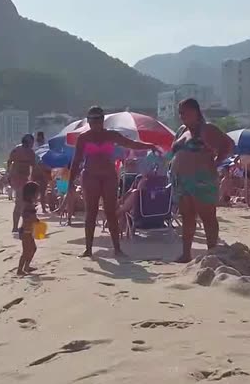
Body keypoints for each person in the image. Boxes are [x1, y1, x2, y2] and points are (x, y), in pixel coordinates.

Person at [70, 106, 156, 257]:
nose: (95, 122)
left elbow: (131, 144)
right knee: (91, 212)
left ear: (103, 120)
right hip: (90, 176)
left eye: (98, 119)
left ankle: (117, 248)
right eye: (92, 120)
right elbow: (76, 161)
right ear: (88, 121)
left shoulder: (112, 135)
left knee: (111, 212)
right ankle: (88, 249)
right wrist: (70, 182)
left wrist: (149, 146)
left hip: (109, 176)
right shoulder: (83, 138)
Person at [170, 98, 235, 262]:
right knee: (187, 217)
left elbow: (228, 144)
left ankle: (212, 253)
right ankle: (186, 254)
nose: (181, 115)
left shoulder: (207, 129)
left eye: (184, 111)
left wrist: (217, 161)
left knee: (207, 217)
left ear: (195, 111)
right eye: (179, 112)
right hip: (182, 181)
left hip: (202, 178)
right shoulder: (181, 130)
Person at [7, 134, 37, 232]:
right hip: (19, 178)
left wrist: (9, 174)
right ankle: (16, 226)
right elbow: (10, 161)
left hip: (21, 179)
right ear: (29, 142)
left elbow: (10, 162)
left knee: (23, 203)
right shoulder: (23, 151)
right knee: (20, 203)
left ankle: (20, 225)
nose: (33, 144)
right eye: (32, 142)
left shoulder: (20, 150)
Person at [16, 181, 41, 276]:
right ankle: (19, 269)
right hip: (26, 231)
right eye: (37, 193)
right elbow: (27, 217)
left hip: (29, 231)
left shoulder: (29, 204)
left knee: (33, 249)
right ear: (32, 194)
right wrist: (35, 220)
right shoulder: (27, 205)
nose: (38, 195)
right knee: (26, 252)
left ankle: (27, 266)